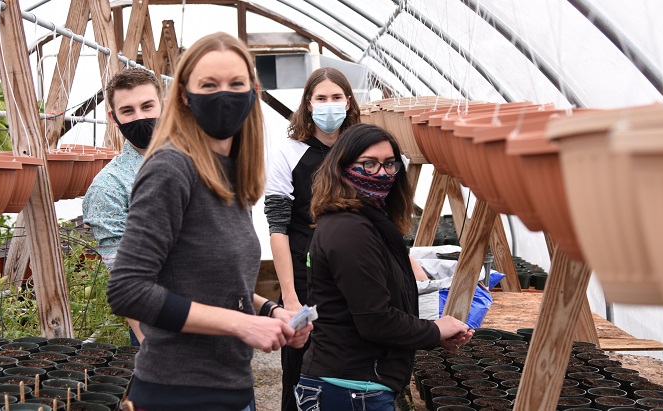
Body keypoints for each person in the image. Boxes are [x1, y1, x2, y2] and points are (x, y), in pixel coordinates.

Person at [106, 32, 312, 411]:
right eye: (209, 85)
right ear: (184, 96)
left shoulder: (232, 175)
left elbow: (209, 283)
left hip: (230, 388)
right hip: (179, 392)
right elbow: (127, 290)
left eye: (236, 84)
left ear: (253, 92)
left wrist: (270, 312)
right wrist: (240, 324)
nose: (224, 96)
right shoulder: (171, 168)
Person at [295, 123, 474, 410]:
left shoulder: (369, 223)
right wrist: (434, 329)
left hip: (359, 385)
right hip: (351, 390)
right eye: (369, 164)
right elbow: (375, 319)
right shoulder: (349, 230)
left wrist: (434, 335)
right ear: (342, 167)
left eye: (389, 165)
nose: (382, 173)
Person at [263, 67, 360, 411]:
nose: (329, 105)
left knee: (351, 367)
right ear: (308, 104)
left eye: (336, 98)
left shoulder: (362, 149)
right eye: (321, 98)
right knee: (301, 368)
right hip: (307, 276)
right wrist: (289, 296)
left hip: (355, 274)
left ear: (348, 102)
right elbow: (278, 227)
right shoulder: (289, 152)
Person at [82, 67, 163, 346]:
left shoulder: (200, 162)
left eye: (147, 106)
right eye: (128, 110)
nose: (140, 117)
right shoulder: (110, 187)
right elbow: (123, 275)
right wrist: (152, 347)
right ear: (113, 117)